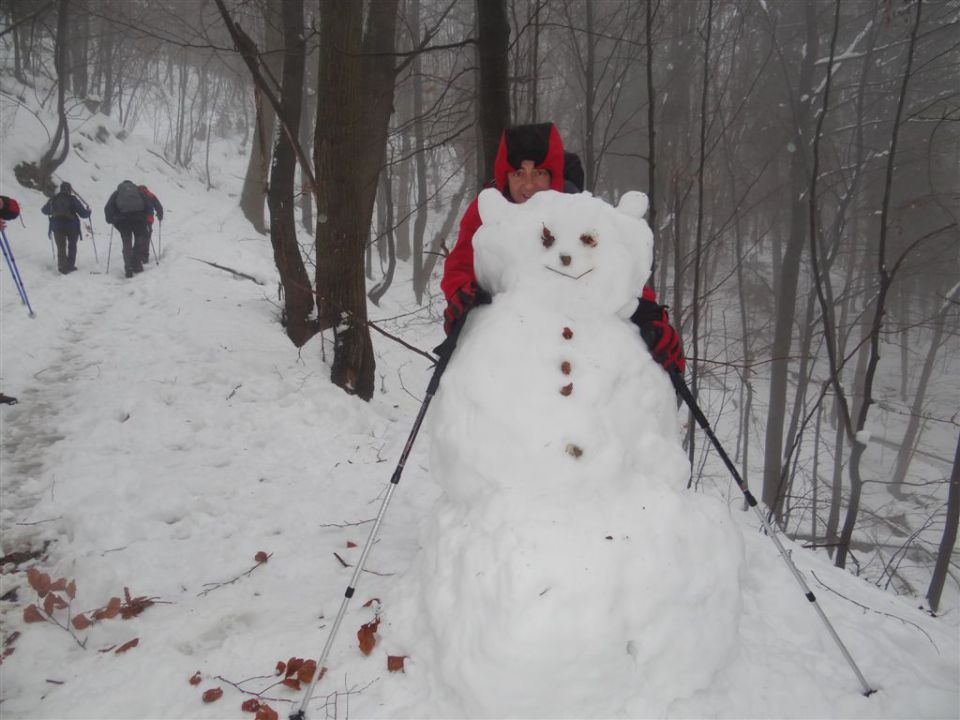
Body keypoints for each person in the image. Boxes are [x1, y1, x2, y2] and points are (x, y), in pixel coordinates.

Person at [438, 122, 685, 374]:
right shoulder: (488, 214)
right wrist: (463, 295)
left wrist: (649, 314)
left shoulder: (576, 211)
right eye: (518, 174)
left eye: (539, 173)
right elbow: (461, 264)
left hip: (583, 341)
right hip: (509, 341)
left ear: (553, 174)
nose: (529, 185)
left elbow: (615, 268)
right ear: (505, 176)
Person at [104, 180, 162, 278]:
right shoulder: (139, 192)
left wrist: (111, 220)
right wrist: (147, 217)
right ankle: (137, 265)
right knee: (139, 242)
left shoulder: (117, 193)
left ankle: (128, 267)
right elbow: (148, 204)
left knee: (127, 243)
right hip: (139, 221)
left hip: (123, 222)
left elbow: (108, 207)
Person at [41, 182, 91, 274]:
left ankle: (62, 266)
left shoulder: (54, 199)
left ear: (61, 189)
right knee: (72, 246)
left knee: (61, 246)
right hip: (72, 226)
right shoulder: (73, 199)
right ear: (70, 190)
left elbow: (44, 210)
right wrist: (88, 212)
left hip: (57, 225)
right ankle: (70, 265)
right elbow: (83, 214)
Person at [137, 184, 163, 265]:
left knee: (138, 236)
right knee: (146, 237)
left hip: (136, 219)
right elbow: (158, 206)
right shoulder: (150, 195)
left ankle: (137, 255)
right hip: (148, 219)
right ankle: (144, 256)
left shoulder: (135, 195)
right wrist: (160, 216)